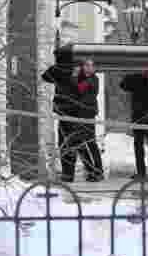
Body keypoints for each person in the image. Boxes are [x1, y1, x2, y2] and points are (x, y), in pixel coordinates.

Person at [42, 55, 103, 183]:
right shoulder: (64, 73)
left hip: (82, 115)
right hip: (67, 113)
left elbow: (79, 90)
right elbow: (46, 77)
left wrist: (74, 76)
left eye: (90, 65)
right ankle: (70, 173)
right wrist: (59, 67)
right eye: (86, 65)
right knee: (69, 144)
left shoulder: (90, 79)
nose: (88, 68)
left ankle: (95, 171)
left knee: (84, 144)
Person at [120, 64, 148, 178]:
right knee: (139, 145)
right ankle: (141, 171)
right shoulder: (136, 78)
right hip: (139, 116)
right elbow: (123, 85)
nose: (147, 71)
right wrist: (132, 71)